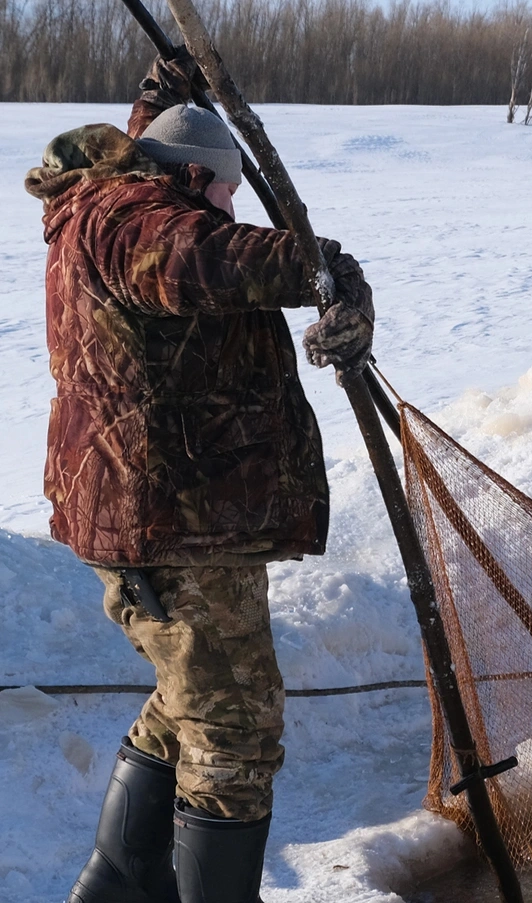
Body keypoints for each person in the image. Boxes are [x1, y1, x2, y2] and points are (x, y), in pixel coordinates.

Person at [26, 50, 373, 902]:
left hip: (157, 511)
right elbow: (191, 251)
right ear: (187, 180)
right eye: (223, 194)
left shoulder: (114, 197)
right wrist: (326, 268)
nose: (228, 210)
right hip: (173, 520)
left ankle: (120, 878)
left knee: (196, 698)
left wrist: (160, 101)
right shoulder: (136, 221)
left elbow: (162, 189)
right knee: (234, 732)